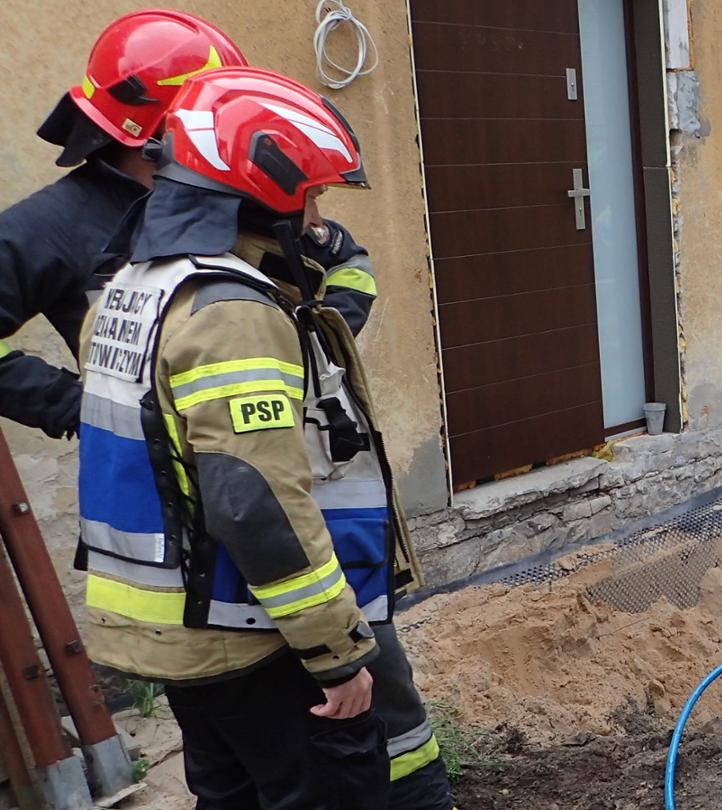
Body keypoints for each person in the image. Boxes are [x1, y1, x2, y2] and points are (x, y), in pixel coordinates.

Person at [73, 65, 436, 808]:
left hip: (185, 636)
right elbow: (251, 502)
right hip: (253, 634)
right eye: (311, 196)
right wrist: (335, 652)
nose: (315, 220)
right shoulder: (230, 314)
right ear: (262, 189)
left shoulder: (132, 289)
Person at [1, 9, 379, 439]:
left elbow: (347, 263)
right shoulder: (54, 224)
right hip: (144, 464)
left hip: (274, 447)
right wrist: (71, 405)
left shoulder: (240, 202)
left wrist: (310, 353)